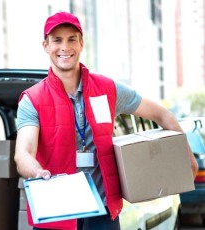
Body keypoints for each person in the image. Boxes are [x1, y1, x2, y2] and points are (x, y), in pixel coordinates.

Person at [14, 11, 198, 230]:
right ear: (45, 45)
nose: (65, 47)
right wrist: (37, 172)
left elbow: (163, 115)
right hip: (56, 215)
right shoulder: (32, 99)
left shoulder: (108, 89)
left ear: (81, 43)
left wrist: (187, 157)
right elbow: (23, 153)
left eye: (72, 39)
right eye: (57, 40)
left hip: (103, 213)